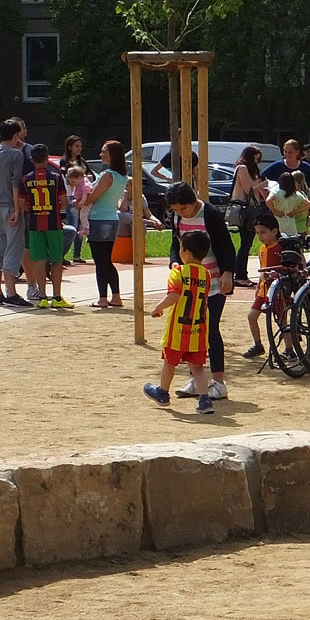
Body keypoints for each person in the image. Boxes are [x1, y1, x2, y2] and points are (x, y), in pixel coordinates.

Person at [164, 181, 234, 401]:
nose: (180, 213)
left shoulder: (210, 214)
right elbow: (175, 245)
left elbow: (226, 245)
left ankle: (219, 382)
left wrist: (228, 272)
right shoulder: (177, 217)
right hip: (189, 283)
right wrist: (175, 262)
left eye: (183, 209)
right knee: (189, 333)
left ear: (193, 201)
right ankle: (197, 380)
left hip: (212, 281)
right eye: (176, 210)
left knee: (210, 330)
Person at [143, 229, 215, 415]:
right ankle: (205, 399)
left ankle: (163, 392)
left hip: (178, 329)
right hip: (198, 330)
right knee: (197, 367)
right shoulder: (206, 275)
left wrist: (159, 307)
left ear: (186, 253)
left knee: (169, 362)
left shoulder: (178, 272)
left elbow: (174, 295)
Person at [0, 117, 33, 307]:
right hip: (11, 204)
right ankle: (11, 293)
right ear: (15, 134)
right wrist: (18, 209)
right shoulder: (16, 154)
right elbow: (15, 182)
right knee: (14, 247)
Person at [81, 140, 135, 309]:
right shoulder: (122, 177)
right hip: (112, 219)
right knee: (107, 260)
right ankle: (116, 296)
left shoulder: (107, 175)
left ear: (112, 155)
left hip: (99, 220)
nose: (101, 154)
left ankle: (102, 298)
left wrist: (80, 201)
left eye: (104, 151)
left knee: (100, 262)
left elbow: (93, 197)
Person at [21, 144, 72, 308]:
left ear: (31, 159)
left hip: (35, 224)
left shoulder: (26, 178)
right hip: (53, 223)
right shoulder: (56, 177)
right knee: (57, 260)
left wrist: (34, 209)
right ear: (47, 158)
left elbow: (23, 204)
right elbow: (64, 203)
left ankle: (42, 296)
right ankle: (57, 297)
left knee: (38, 260)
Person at [242, 213, 284, 359]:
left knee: (281, 321)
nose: (260, 236)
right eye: (257, 233)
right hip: (263, 291)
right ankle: (258, 344)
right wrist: (258, 288)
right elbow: (262, 270)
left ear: (274, 231)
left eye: (263, 232)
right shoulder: (261, 249)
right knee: (251, 317)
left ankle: (290, 349)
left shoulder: (281, 248)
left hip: (278, 291)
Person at [229, 144, 267, 283]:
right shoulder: (243, 168)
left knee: (248, 241)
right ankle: (240, 276)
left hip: (251, 208)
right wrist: (261, 185)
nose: (257, 162)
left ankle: (241, 274)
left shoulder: (251, 170)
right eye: (255, 159)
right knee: (246, 242)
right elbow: (248, 189)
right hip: (244, 209)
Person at [266, 171, 310, 236]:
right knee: (291, 242)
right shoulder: (296, 194)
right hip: (290, 223)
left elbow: (268, 201)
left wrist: (275, 211)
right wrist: (295, 212)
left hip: (278, 222)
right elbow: (309, 204)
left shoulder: (277, 192)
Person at [63, 165, 89, 264]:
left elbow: (85, 193)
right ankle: (76, 254)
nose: (72, 184)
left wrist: (82, 202)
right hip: (77, 202)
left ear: (79, 178)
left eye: (73, 182)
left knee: (83, 216)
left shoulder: (84, 184)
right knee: (74, 226)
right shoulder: (79, 184)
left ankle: (86, 228)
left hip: (84, 203)